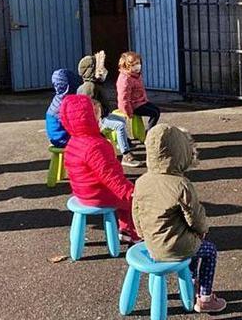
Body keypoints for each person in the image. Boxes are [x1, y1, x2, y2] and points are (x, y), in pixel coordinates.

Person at [132, 123, 226, 313]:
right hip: (175, 247)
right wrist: (203, 231)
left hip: (151, 244)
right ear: (181, 153)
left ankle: (191, 282)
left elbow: (136, 212)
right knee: (208, 250)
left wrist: (143, 234)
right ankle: (205, 297)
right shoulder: (181, 184)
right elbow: (195, 217)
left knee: (190, 240)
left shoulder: (141, 181)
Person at [60, 94, 140, 244]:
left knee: (124, 197)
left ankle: (125, 230)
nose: (99, 119)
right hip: (97, 194)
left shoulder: (74, 140)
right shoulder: (96, 146)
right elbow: (110, 177)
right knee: (132, 201)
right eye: (96, 116)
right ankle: (135, 235)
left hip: (82, 190)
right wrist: (130, 192)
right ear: (89, 119)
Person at [76, 51, 142, 168]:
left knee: (121, 120)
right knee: (119, 126)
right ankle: (126, 155)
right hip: (98, 120)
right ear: (92, 71)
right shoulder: (90, 87)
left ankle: (123, 143)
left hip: (103, 116)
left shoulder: (92, 85)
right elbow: (90, 110)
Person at [116, 51, 161, 131]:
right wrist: (129, 112)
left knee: (157, 110)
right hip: (133, 106)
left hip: (140, 102)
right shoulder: (125, 79)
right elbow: (123, 98)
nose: (137, 66)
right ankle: (149, 134)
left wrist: (145, 100)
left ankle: (149, 131)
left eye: (138, 63)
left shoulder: (136, 75)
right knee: (154, 113)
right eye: (133, 65)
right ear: (126, 66)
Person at [46, 68, 81, 148]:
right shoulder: (66, 104)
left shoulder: (58, 98)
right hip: (62, 139)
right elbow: (75, 125)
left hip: (55, 137)